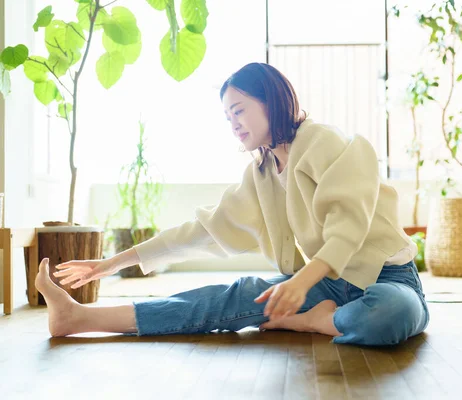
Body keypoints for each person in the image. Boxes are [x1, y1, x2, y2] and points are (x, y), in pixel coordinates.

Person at [35, 62, 429, 346]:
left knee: (390, 313)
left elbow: (349, 225)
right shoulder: (260, 173)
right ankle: (78, 317)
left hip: (387, 278)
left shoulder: (326, 142)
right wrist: (110, 263)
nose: (234, 124)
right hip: (326, 283)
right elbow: (201, 231)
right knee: (235, 296)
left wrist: (302, 285)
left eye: (238, 111)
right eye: (227, 117)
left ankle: (313, 323)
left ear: (272, 101)